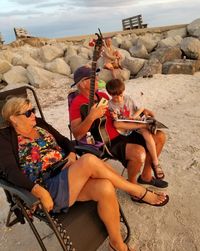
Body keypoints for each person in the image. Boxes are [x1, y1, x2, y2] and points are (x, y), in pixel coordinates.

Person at [0, 97, 169, 251]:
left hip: (67, 172)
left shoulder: (39, 123)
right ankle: (137, 191)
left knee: (105, 187)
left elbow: (65, 141)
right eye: (28, 112)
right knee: (88, 160)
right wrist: (37, 190)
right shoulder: (4, 138)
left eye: (34, 110)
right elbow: (10, 172)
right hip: (47, 188)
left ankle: (117, 244)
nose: (33, 115)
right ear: (14, 118)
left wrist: (72, 155)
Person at [69, 66, 168, 188]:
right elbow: (77, 134)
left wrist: (143, 111)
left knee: (160, 136)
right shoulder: (76, 103)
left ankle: (146, 177)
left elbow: (121, 109)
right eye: (93, 77)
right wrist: (91, 117)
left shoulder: (102, 95)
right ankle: (133, 186)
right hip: (108, 141)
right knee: (139, 153)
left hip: (124, 130)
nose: (98, 78)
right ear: (83, 83)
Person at [106, 78, 165, 180]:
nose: (119, 99)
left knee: (147, 134)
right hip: (126, 128)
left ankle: (155, 163)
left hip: (136, 122)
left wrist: (134, 116)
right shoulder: (110, 105)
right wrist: (115, 116)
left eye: (120, 95)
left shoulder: (128, 99)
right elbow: (116, 121)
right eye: (115, 97)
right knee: (140, 132)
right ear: (110, 95)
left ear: (123, 92)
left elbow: (141, 108)